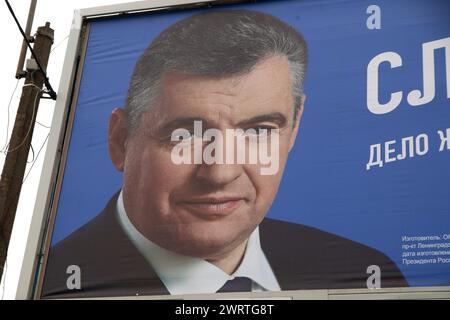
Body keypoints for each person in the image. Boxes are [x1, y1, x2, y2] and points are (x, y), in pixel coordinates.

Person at [41, 9, 408, 298]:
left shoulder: (366, 273)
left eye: (258, 131)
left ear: (295, 127)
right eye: (185, 134)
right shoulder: (52, 285)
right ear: (121, 140)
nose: (219, 172)